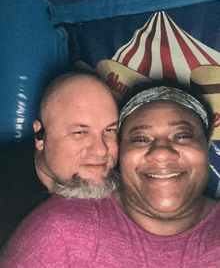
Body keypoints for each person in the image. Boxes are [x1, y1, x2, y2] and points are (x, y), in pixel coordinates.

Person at [2, 83, 220, 268]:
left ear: (206, 148)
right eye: (140, 139)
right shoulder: (59, 228)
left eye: (182, 135)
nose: (161, 152)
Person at [0, 71, 119, 248]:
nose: (101, 150)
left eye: (109, 131)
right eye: (80, 133)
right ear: (40, 136)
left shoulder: (130, 187)